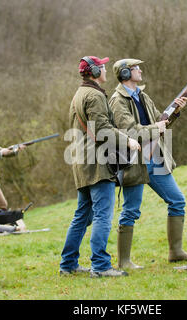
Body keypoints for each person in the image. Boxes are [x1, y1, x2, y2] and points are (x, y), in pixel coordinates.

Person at [59, 55, 141, 278]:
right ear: (94, 72)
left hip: (82, 163)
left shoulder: (79, 94)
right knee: (103, 215)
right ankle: (101, 266)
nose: (105, 70)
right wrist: (128, 140)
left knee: (81, 216)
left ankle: (68, 264)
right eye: (102, 67)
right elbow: (103, 128)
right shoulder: (94, 95)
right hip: (96, 164)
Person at [108, 58, 187, 269]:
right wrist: (158, 126)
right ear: (126, 74)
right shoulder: (117, 101)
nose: (140, 70)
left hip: (155, 158)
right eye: (136, 68)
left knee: (177, 200)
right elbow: (132, 131)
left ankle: (176, 251)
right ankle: (124, 261)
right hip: (134, 162)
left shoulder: (142, 96)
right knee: (131, 210)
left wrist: (176, 111)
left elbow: (160, 121)